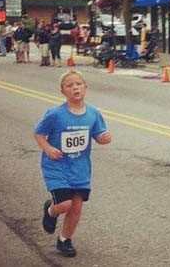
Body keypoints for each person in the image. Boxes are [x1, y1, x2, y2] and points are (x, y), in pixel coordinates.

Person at [34, 70, 112, 258]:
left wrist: (104, 139)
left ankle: (64, 240)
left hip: (81, 169)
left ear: (85, 87)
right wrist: (47, 149)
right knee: (64, 205)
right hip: (57, 166)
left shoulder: (93, 113)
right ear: (63, 91)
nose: (75, 87)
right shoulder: (55, 114)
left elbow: (98, 135)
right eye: (69, 85)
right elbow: (39, 133)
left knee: (76, 207)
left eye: (78, 84)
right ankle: (51, 210)